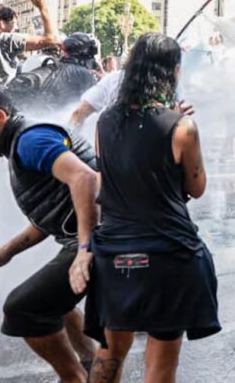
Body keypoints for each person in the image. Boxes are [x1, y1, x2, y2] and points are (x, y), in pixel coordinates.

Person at [82, 34, 219, 383]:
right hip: (167, 253)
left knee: (109, 352)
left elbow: (112, 177)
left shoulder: (104, 122)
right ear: (173, 72)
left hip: (114, 252)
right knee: (160, 366)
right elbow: (196, 188)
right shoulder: (181, 127)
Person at [0, 86, 100, 383]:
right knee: (54, 301)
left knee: (23, 308)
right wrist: (6, 251)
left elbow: (85, 178)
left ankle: (74, 377)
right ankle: (91, 363)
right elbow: (52, 214)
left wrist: (85, 248)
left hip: (106, 236)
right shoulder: (22, 142)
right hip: (97, 234)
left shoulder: (30, 140)